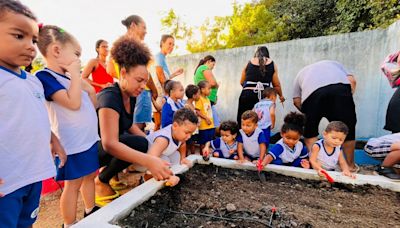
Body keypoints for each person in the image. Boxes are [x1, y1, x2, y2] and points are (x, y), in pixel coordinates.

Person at [0, 1, 65, 227]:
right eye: (19, 36)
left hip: (32, 174)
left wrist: (52, 138)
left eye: (34, 40)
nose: (31, 46)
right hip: (5, 184)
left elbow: (35, 116)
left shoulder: (33, 81)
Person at [96, 36, 172, 206]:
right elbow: (109, 143)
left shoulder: (129, 95)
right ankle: (101, 181)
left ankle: (106, 178)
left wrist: (152, 147)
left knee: (141, 142)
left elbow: (129, 124)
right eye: (139, 80)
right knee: (137, 144)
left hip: (107, 147)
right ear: (123, 73)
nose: (143, 86)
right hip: (91, 150)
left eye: (145, 81)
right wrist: (149, 160)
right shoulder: (110, 96)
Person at [36, 25, 100, 226]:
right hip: (71, 144)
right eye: (76, 54)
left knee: (90, 175)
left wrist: (89, 90)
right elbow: (73, 103)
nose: (79, 60)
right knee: (73, 184)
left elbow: (92, 105)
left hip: (88, 139)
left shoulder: (70, 78)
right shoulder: (45, 77)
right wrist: (75, 76)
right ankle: (69, 223)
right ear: (56, 50)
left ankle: (90, 209)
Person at [292, 60, 358, 172]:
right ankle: (350, 166)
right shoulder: (335, 64)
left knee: (310, 132)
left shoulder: (301, 73)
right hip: (339, 90)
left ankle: (317, 165)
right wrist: (346, 100)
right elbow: (352, 81)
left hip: (312, 95)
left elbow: (296, 100)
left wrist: (309, 114)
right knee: (348, 130)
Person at [107, 15, 158, 131]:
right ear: (133, 25)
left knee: (130, 126)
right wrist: (154, 89)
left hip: (126, 90)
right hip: (142, 92)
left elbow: (109, 70)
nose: (146, 31)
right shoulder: (135, 48)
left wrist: (126, 79)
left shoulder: (117, 46)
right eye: (144, 27)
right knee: (138, 127)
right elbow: (144, 74)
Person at [146, 108, 198, 186]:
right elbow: (150, 158)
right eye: (187, 132)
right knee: (165, 162)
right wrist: (168, 177)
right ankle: (147, 179)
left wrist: (183, 158)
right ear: (175, 126)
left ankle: (171, 175)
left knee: (177, 156)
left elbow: (182, 144)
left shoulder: (179, 134)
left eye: (191, 133)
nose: (189, 136)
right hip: (144, 158)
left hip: (162, 153)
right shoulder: (163, 139)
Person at [237, 46, 285, 126]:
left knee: (244, 120)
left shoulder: (249, 63)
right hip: (264, 96)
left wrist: (250, 90)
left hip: (247, 94)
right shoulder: (272, 64)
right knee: (261, 121)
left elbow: (242, 82)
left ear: (256, 53)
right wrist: (281, 96)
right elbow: (277, 85)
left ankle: (242, 137)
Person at [194, 55, 220, 127]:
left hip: (208, 99)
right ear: (208, 61)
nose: (213, 67)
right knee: (212, 123)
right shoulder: (204, 67)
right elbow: (212, 83)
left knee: (215, 122)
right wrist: (217, 85)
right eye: (213, 64)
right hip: (206, 99)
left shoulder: (201, 68)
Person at [195, 80, 215, 150]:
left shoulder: (207, 99)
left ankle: (205, 155)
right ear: (202, 89)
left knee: (209, 142)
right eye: (209, 88)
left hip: (210, 125)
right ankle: (202, 156)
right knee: (203, 143)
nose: (210, 90)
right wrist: (206, 118)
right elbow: (197, 111)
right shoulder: (199, 99)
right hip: (203, 126)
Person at [184, 84, 200, 154]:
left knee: (192, 143)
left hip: (193, 129)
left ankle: (193, 155)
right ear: (194, 96)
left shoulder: (191, 104)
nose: (199, 95)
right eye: (198, 94)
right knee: (187, 144)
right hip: (189, 129)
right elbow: (188, 118)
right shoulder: (187, 106)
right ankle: (185, 156)